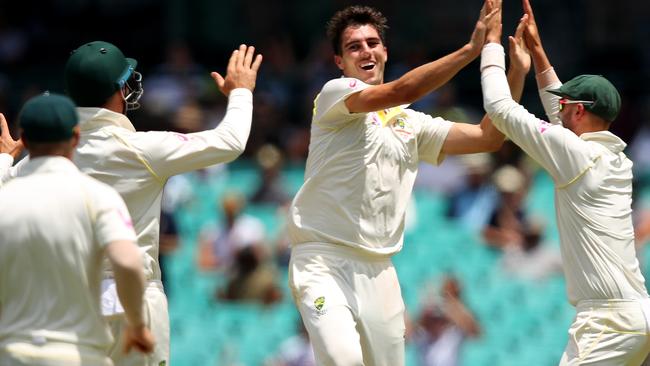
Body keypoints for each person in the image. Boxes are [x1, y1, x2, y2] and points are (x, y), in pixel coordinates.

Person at [286, 1, 529, 365]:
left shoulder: (412, 125)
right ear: (339, 61)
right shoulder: (335, 94)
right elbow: (400, 91)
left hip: (380, 270)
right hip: (323, 260)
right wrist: (470, 51)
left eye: (372, 43)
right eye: (354, 46)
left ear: (385, 50)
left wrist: (516, 73)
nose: (365, 51)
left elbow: (488, 137)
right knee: (343, 359)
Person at [0, 41, 262, 365]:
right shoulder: (142, 150)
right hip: (135, 300)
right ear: (118, 91)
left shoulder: (39, 162)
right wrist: (241, 92)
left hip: (74, 304)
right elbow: (230, 141)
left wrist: (4, 160)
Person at [480, 0, 650, 364]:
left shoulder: (576, 155)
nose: (558, 112)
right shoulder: (616, 159)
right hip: (637, 311)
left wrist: (491, 44)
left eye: (565, 106)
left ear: (579, 111)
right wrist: (540, 54)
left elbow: (499, 107)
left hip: (607, 321)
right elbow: (561, 121)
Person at [0, 93, 154, 365]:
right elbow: (128, 263)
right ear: (75, 137)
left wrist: (4, 161)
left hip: (12, 354)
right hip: (78, 355)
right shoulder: (98, 197)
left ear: (23, 138)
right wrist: (137, 325)